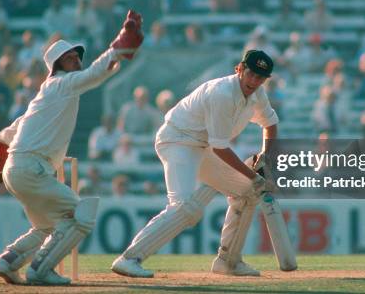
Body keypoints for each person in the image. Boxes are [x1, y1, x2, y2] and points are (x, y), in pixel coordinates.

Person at [0, 11, 143, 285]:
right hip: (31, 168)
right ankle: (40, 269)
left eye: (77, 56)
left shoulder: (49, 92)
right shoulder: (61, 84)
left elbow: (16, 127)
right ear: (57, 64)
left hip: (18, 169)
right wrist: (117, 49)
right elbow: (96, 74)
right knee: (80, 215)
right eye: (71, 58)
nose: (77, 61)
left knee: (47, 226)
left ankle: (9, 260)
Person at [111, 50, 278, 278]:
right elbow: (220, 148)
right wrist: (254, 176)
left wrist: (266, 160)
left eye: (260, 78)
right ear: (239, 69)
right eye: (251, 74)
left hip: (203, 147)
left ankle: (228, 261)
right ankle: (129, 258)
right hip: (178, 140)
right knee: (185, 207)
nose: (254, 81)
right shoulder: (222, 93)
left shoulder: (258, 94)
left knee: (248, 193)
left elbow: (270, 123)